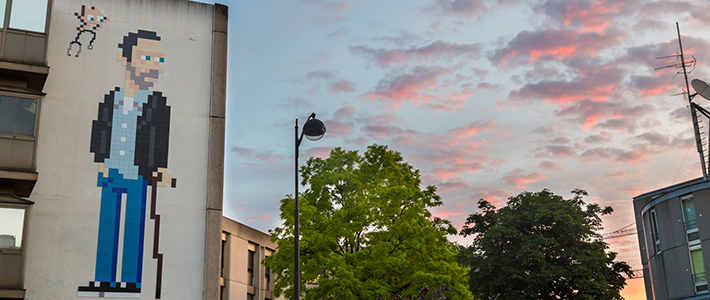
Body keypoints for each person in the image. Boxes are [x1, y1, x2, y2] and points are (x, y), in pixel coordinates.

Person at [78, 30, 173, 298]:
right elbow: (100, 130)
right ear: (125, 57)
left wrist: (159, 167)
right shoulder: (111, 99)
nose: (153, 65)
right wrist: (99, 159)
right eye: (146, 57)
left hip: (138, 176)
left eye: (158, 59)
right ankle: (103, 279)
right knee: (108, 225)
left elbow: (160, 138)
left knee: (134, 226)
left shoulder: (158, 104)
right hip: (110, 171)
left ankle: (131, 279)